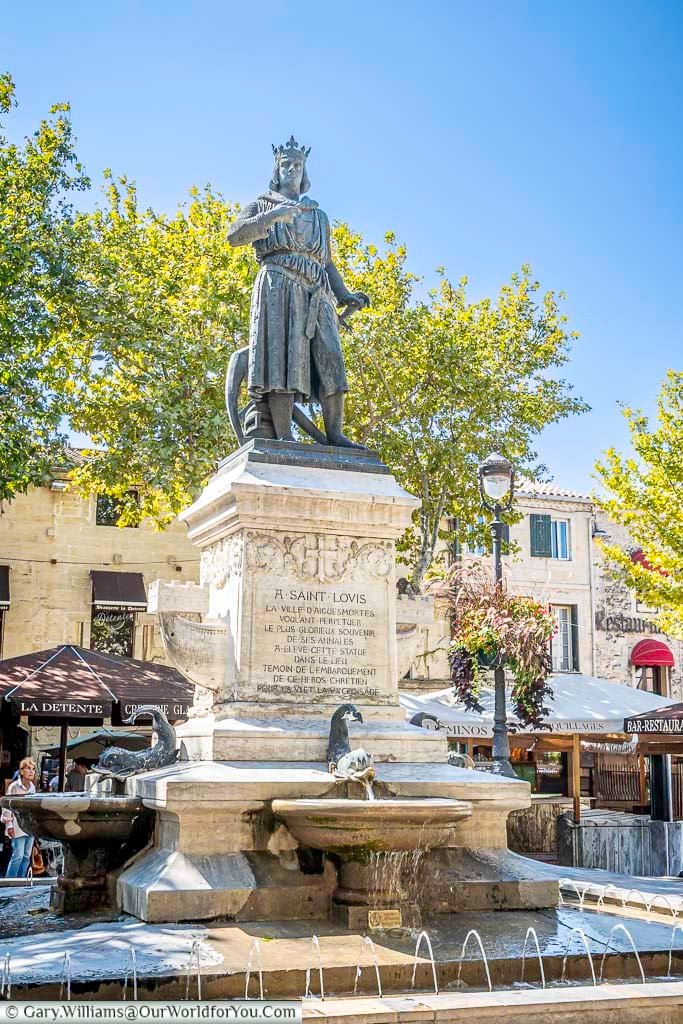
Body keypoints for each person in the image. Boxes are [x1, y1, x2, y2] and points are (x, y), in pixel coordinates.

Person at [226, 137, 369, 446]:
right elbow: (234, 236)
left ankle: (335, 434)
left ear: (304, 172)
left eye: (297, 165)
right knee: (281, 360)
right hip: (278, 285)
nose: (292, 169)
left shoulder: (319, 215)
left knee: (331, 358)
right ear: (276, 170)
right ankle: (284, 435)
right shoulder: (261, 204)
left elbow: (327, 261)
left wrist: (344, 294)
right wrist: (272, 217)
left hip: (317, 292)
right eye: (285, 165)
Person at [1, 757, 36, 878]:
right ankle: (9, 882)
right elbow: (7, 807)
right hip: (17, 825)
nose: (31, 771)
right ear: (21, 771)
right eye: (28, 769)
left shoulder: (32, 787)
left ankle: (21, 881)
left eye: (33, 769)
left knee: (26, 856)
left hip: (29, 826)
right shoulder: (14, 786)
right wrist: (9, 825)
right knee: (18, 855)